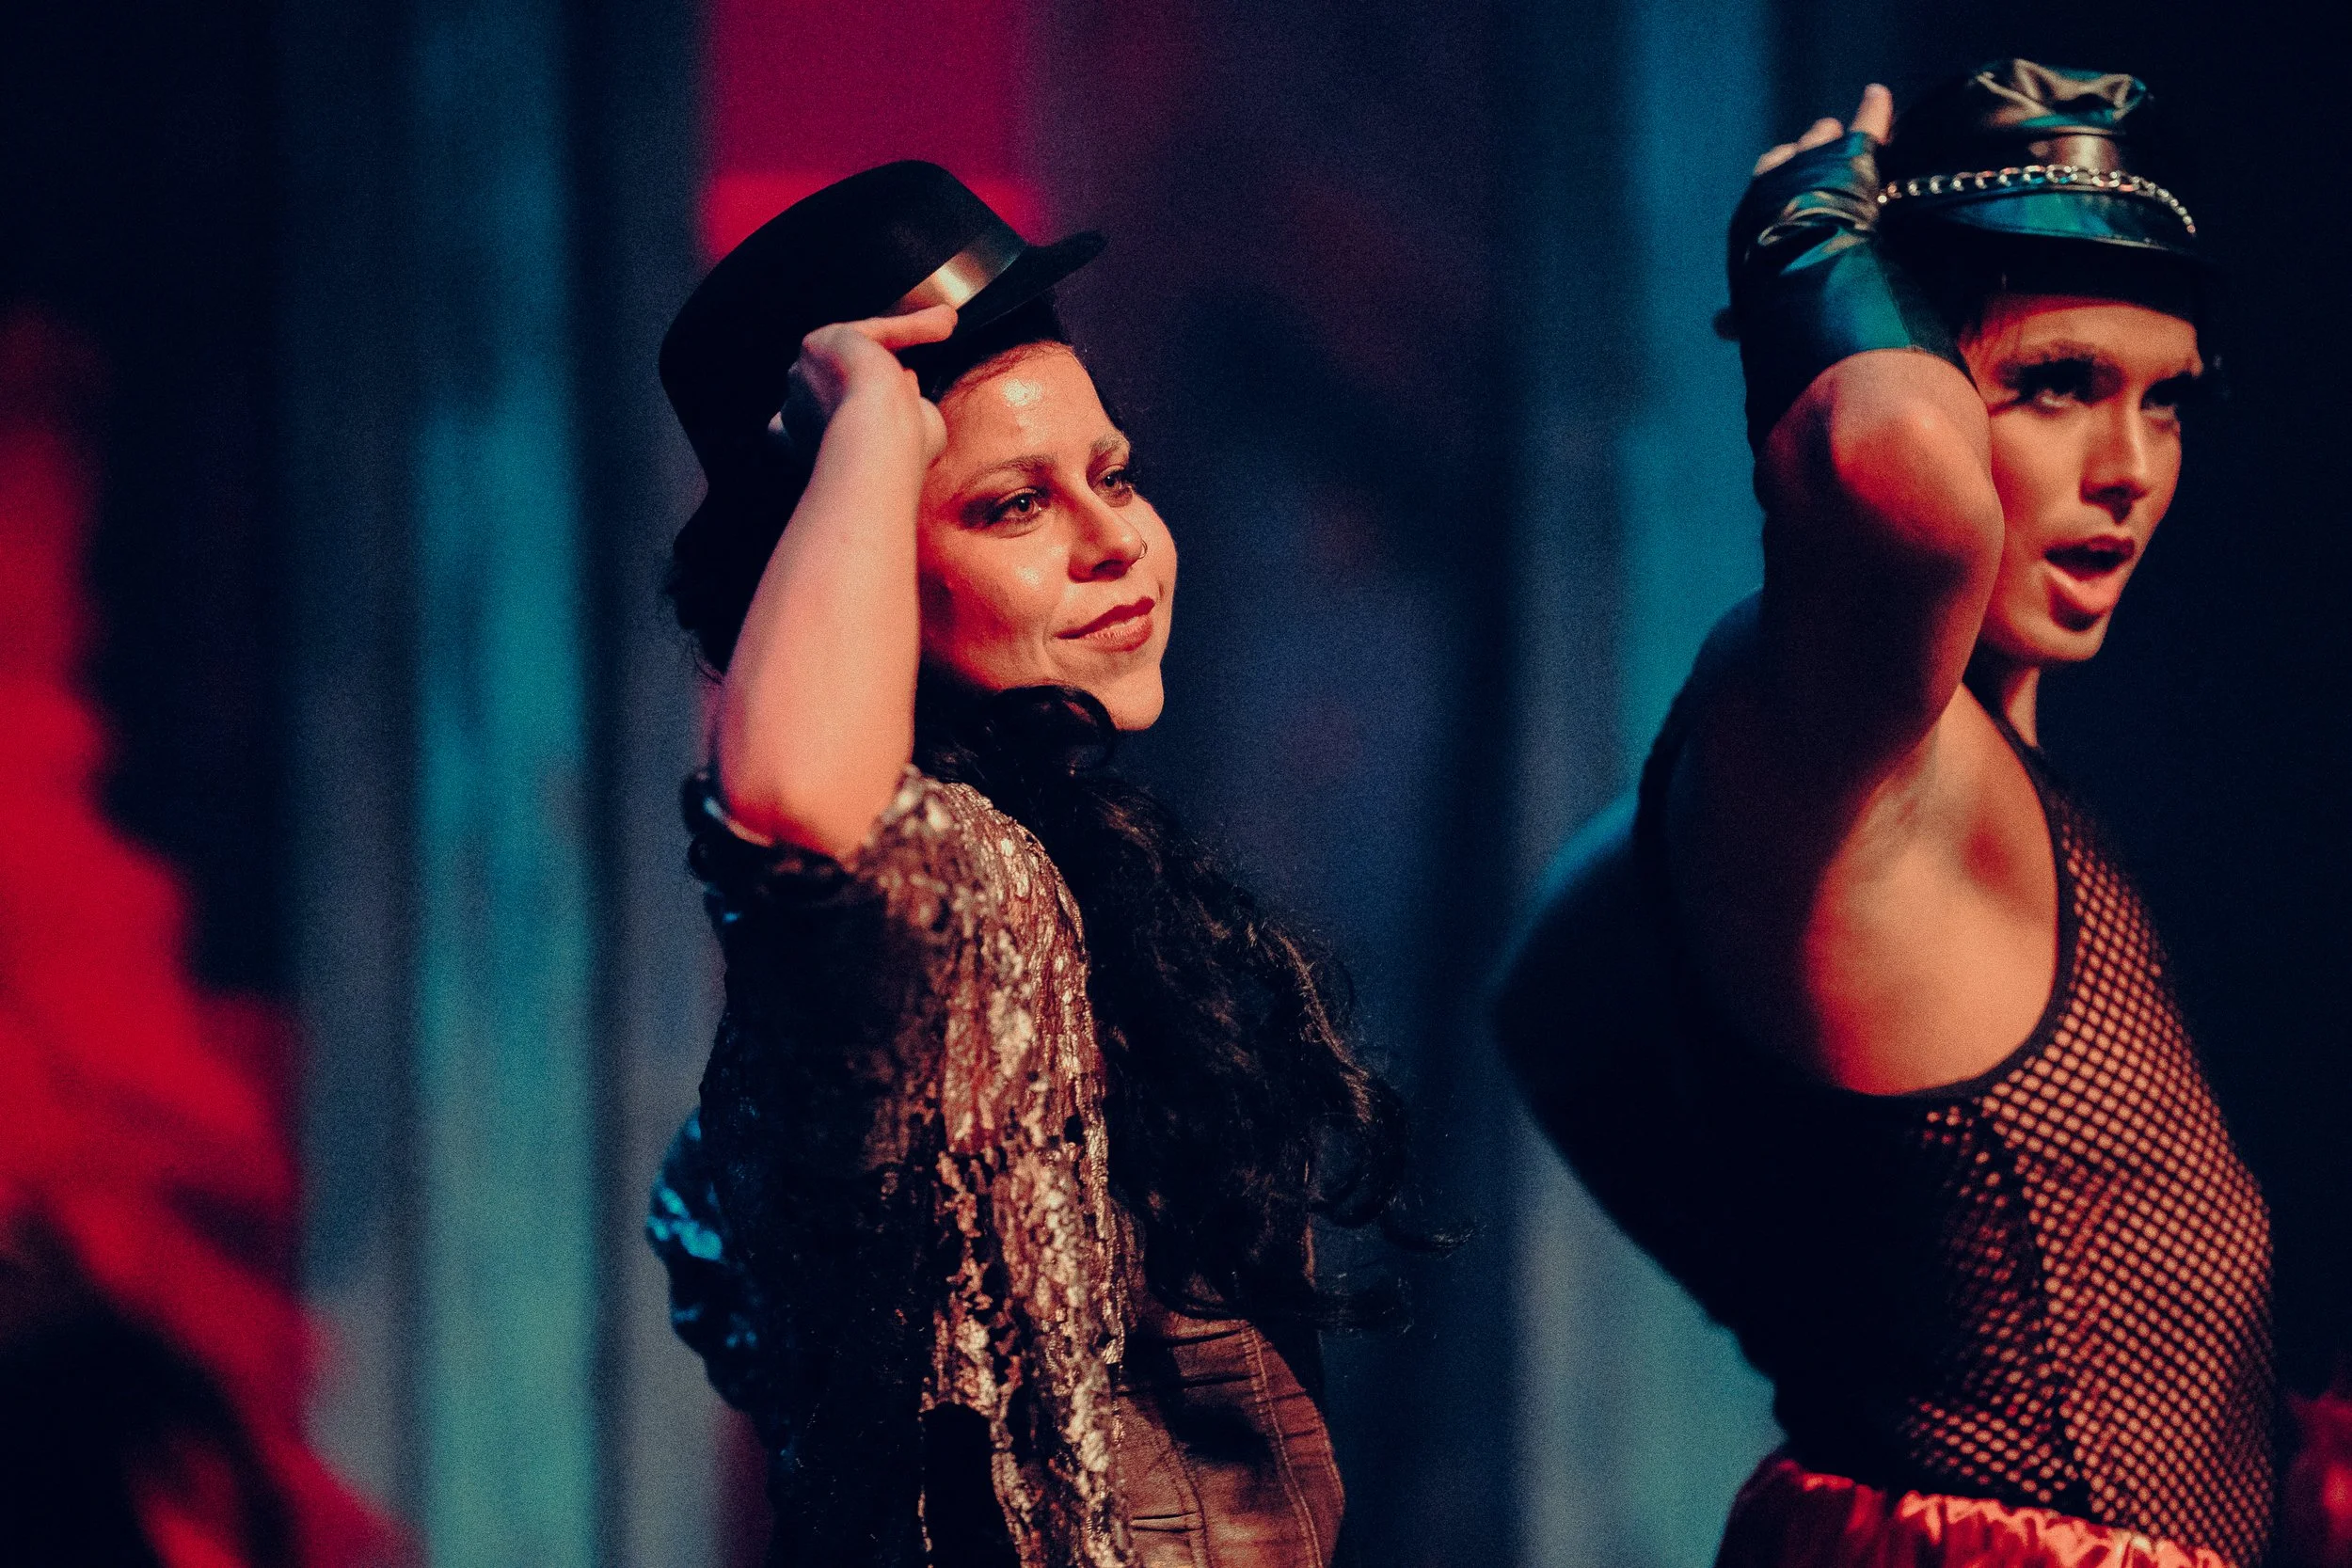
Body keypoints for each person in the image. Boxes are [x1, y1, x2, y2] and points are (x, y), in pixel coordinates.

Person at [1496, 61, 2271, 1567]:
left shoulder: (1932, 770)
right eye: (2056, 386)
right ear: (1911, 361)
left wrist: (1823, 1272)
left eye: (2166, 400)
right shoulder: (1859, 757)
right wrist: (1809, 251)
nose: (2127, 470)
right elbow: (1893, 473)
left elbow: (1549, 981)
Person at [644, 164, 1422, 1568]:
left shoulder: (1070, 873)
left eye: (1112, 475)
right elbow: (795, 805)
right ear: (850, 559)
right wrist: (869, 427)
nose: (1116, 539)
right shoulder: (964, 880)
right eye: (1012, 507)